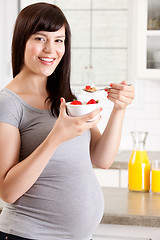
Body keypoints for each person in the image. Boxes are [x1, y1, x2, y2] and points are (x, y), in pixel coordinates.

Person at [0, 2, 135, 240]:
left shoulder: (66, 98)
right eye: (40, 38)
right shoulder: (9, 104)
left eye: (59, 40)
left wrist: (119, 109)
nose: (50, 49)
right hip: (27, 235)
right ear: (22, 40)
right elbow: (7, 191)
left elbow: (102, 159)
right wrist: (55, 138)